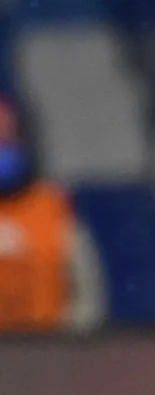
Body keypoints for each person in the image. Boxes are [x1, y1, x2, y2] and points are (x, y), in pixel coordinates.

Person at [0, 94, 105, 336]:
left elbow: (87, 292)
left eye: (6, 137)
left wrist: (70, 343)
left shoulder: (53, 207)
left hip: (47, 354)